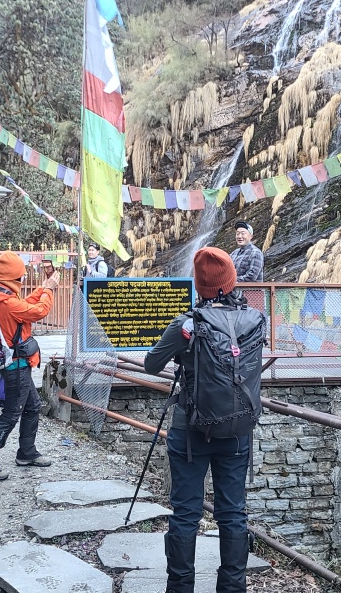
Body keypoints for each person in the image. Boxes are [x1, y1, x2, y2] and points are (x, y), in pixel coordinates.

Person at [144, 247, 260, 593]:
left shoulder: (187, 324)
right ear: (232, 282)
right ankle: (233, 588)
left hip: (190, 431)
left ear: (198, 285)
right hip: (237, 430)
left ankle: (180, 587)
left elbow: (151, 364)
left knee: (185, 513)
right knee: (233, 513)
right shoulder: (253, 320)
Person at [0, 251, 59, 480]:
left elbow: (23, 305)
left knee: (33, 406)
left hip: (12, 362)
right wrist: (49, 290)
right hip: (16, 365)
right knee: (11, 414)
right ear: (15, 277)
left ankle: (27, 452)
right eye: (21, 276)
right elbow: (38, 311)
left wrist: (43, 288)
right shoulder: (8, 302)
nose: (22, 279)